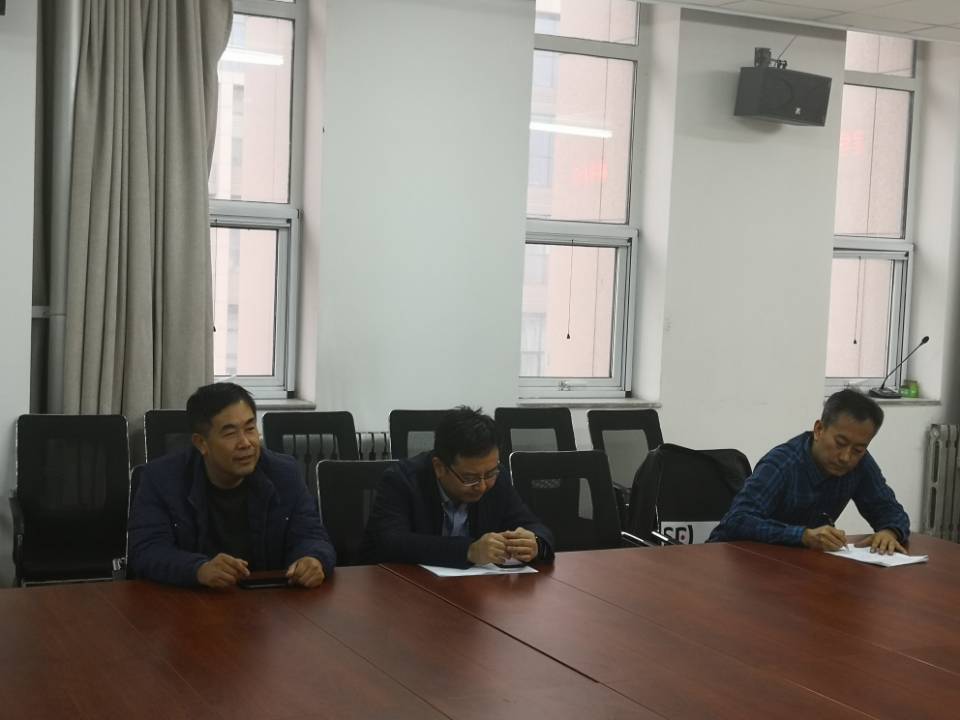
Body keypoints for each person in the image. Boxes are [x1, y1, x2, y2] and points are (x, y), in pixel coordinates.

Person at [129, 382, 336, 588]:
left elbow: (312, 536)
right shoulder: (161, 479)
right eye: (230, 433)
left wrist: (313, 559)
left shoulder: (284, 474)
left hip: (266, 598)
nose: (245, 443)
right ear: (201, 443)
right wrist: (198, 569)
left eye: (250, 428)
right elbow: (147, 550)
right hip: (190, 599)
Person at [709, 389, 909, 555]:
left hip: (795, 566)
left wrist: (889, 532)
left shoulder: (860, 463)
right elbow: (738, 521)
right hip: (734, 561)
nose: (846, 457)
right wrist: (803, 536)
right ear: (819, 429)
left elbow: (889, 509)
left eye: (858, 449)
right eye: (840, 443)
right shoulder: (783, 463)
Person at [362, 406, 555, 567]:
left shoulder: (497, 478)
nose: (482, 486)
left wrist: (535, 543)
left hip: (477, 590)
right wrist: (468, 550)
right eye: (470, 478)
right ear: (439, 467)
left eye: (489, 474)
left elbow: (534, 526)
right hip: (409, 588)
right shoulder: (402, 480)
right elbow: (391, 542)